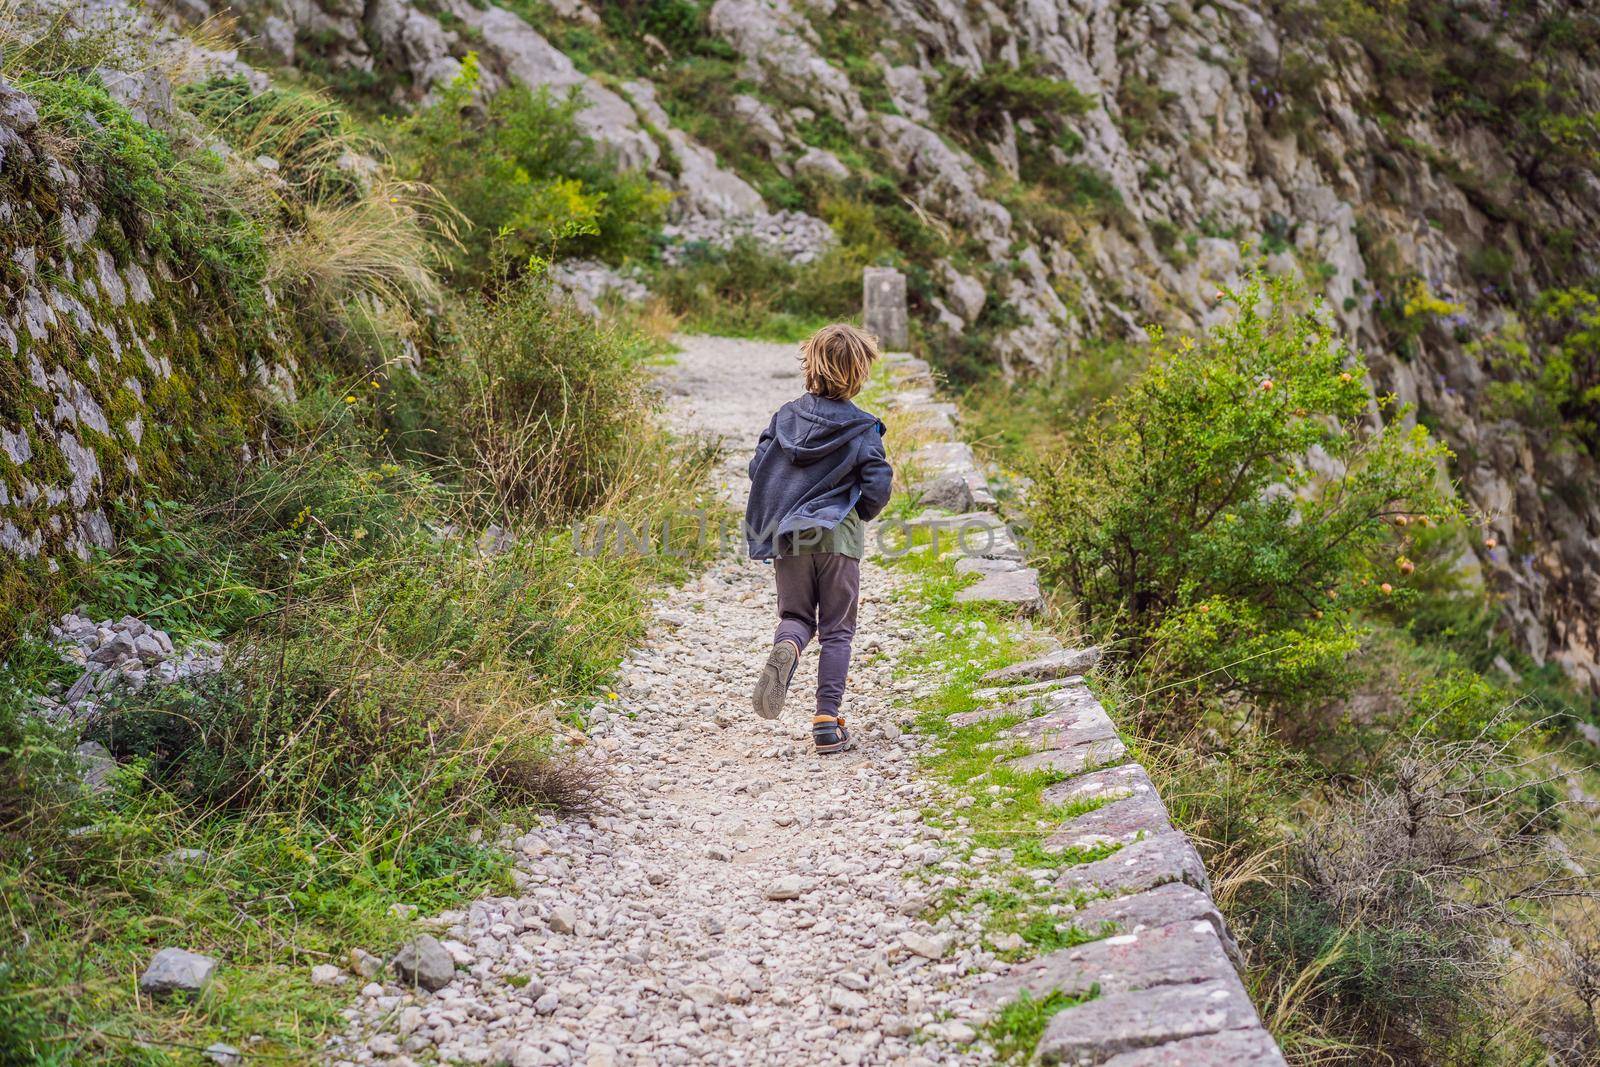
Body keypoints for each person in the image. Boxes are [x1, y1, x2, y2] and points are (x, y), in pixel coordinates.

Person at [745, 324, 893, 754]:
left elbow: (759, 469)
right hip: (838, 539)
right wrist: (859, 512)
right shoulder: (863, 427)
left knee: (795, 617)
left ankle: (787, 647)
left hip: (790, 536)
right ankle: (827, 722)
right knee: (836, 631)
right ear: (860, 372)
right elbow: (878, 483)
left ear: (809, 363)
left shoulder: (785, 416)